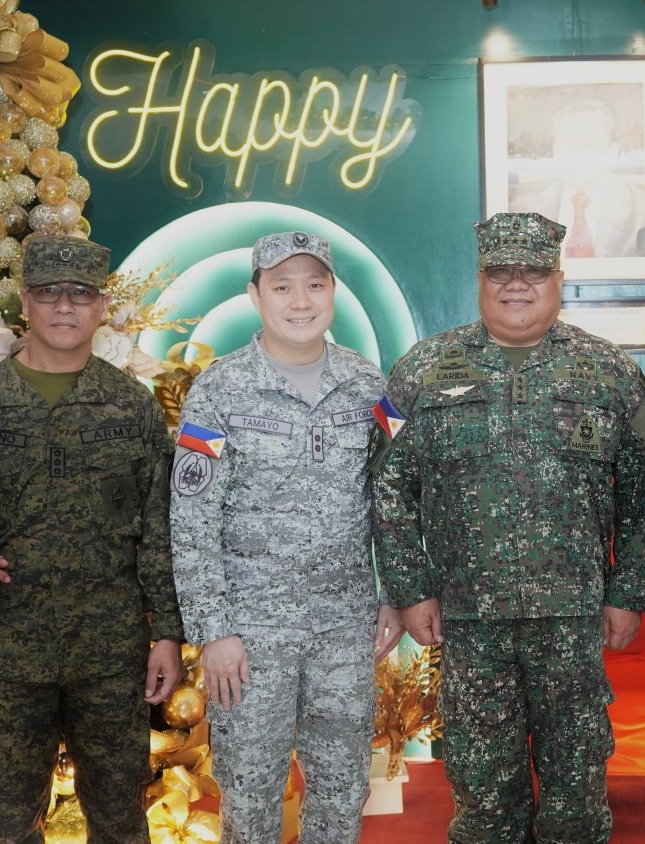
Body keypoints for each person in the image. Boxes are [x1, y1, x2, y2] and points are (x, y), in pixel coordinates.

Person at [371, 211, 645, 842]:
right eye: (500, 271)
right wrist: (410, 589)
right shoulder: (422, 371)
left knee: (575, 792)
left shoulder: (611, 371)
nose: (516, 284)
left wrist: (626, 593)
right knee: (482, 794)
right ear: (479, 279)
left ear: (558, 278)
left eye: (533, 271)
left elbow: (644, 495)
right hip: (468, 619)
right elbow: (389, 487)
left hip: (573, 619)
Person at [0, 234, 183, 842]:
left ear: (101, 306)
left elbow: (160, 527)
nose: (64, 306)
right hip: (6, 650)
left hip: (110, 653)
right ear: (24, 302)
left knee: (120, 817)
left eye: (80, 293)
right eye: (49, 292)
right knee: (7, 820)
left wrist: (167, 632)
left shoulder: (132, 406)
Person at [168, 231, 403, 843]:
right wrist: (213, 631)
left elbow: (394, 495)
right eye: (282, 287)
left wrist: (394, 595)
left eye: (315, 284)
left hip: (345, 629)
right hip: (250, 636)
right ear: (255, 296)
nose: (301, 301)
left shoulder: (369, 384)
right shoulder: (217, 390)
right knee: (249, 797)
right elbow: (191, 519)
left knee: (342, 793)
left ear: (333, 292)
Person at [509, 97, 645, 259]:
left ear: (612, 152)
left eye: (585, 142)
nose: (571, 151)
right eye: (563, 141)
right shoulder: (519, 205)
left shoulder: (644, 209)